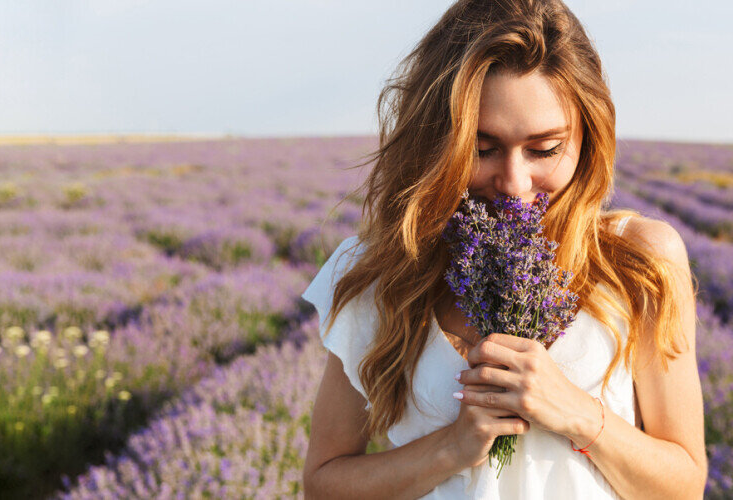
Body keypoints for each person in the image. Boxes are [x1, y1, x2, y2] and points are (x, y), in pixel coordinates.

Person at [301, 0, 706, 498]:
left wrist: (576, 412)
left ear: (587, 139)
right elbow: (323, 485)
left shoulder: (638, 260)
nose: (514, 184)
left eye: (544, 149)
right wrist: (451, 447)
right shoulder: (382, 271)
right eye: (482, 148)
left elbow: (684, 486)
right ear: (437, 141)